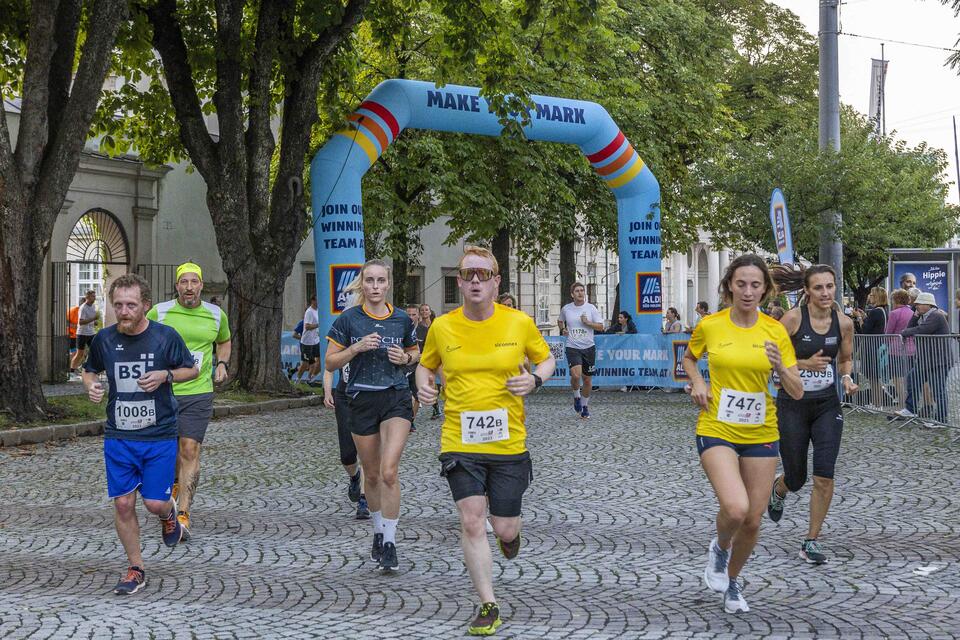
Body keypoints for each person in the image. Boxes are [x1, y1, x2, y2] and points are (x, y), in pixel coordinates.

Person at [417, 246, 556, 636]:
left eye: (483, 274)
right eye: (468, 274)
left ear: (496, 282)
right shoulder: (442, 327)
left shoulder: (519, 323)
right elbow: (426, 367)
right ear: (459, 282)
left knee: (505, 528)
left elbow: (547, 359)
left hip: (508, 442)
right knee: (472, 521)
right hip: (459, 439)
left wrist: (536, 379)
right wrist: (424, 387)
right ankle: (487, 604)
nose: (475, 280)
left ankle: (511, 538)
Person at [682, 254, 802, 614]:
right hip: (716, 425)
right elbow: (689, 358)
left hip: (761, 430)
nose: (748, 292)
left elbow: (796, 391)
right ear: (729, 286)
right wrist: (698, 381)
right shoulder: (711, 325)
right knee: (735, 508)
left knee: (753, 518)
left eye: (755, 285)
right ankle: (720, 549)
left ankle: (732, 581)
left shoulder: (775, 330)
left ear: (765, 290)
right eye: (741, 284)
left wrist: (780, 364)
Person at [82, 273, 198, 594]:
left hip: (159, 435)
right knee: (122, 504)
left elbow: (193, 369)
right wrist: (90, 385)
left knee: (153, 504)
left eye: (131, 305)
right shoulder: (104, 339)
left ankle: (168, 512)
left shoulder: (165, 337)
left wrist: (166, 375)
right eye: (118, 305)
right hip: (119, 436)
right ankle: (136, 568)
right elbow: (89, 370)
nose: (124, 311)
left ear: (145, 305)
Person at [324, 259, 419, 572]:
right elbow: (330, 363)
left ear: (388, 284)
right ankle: (378, 532)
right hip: (361, 399)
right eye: (370, 281)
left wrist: (405, 357)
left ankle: (391, 543)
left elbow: (415, 352)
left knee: (390, 471)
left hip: (396, 398)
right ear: (361, 285)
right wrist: (356, 348)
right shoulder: (349, 320)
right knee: (373, 474)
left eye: (381, 281)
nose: (375, 287)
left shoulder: (402, 319)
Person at [767, 265, 858, 565]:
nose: (825, 293)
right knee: (797, 477)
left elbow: (845, 359)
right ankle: (780, 487)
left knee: (824, 475)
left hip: (826, 405)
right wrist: (803, 365)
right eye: (818, 287)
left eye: (830, 286)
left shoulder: (843, 323)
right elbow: (774, 362)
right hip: (792, 404)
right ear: (806, 290)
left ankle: (811, 540)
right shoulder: (792, 320)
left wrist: (846, 377)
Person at [146, 262, 231, 541]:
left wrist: (221, 363)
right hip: (164, 392)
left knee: (190, 448)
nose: (189, 287)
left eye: (194, 281)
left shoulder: (216, 315)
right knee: (169, 450)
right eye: (184, 282)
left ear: (201, 286)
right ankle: (172, 483)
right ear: (177, 286)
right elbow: (142, 336)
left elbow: (224, 340)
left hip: (198, 392)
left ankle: (183, 513)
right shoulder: (160, 312)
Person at [322, 276, 369, 520]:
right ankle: (354, 476)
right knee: (347, 455)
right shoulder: (342, 328)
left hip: (369, 395)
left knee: (368, 451)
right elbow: (329, 366)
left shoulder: (375, 326)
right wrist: (327, 391)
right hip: (345, 394)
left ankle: (364, 499)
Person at [901, 292, 951, 423]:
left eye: (920, 303)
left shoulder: (936, 316)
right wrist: (914, 316)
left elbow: (921, 330)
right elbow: (910, 327)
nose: (917, 306)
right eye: (916, 304)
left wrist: (904, 333)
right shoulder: (923, 316)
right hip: (926, 360)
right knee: (912, 379)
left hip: (939, 361)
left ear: (929, 304)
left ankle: (941, 419)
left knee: (938, 389)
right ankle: (910, 410)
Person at [557, 282, 604, 419]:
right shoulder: (567, 309)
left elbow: (601, 326)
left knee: (587, 380)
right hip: (573, 346)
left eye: (582, 290)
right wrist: (563, 329)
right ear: (572, 294)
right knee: (576, 375)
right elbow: (560, 321)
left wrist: (588, 323)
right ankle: (576, 396)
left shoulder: (591, 308)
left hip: (589, 347)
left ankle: (585, 406)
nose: (580, 293)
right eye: (577, 291)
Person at [856, 287, 889, 409]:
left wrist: (859, 318)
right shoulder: (883, 310)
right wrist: (865, 316)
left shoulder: (876, 311)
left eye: (871, 295)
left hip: (872, 347)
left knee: (873, 377)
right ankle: (877, 402)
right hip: (878, 345)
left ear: (877, 297)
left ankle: (877, 403)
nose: (869, 297)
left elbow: (865, 330)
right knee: (873, 376)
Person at [885, 289, 916, 411]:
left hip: (896, 349)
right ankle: (910, 405)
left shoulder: (894, 313)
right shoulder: (913, 313)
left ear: (895, 299)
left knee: (897, 377)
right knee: (908, 378)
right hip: (912, 349)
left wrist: (885, 344)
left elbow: (888, 332)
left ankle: (902, 405)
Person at [419, 303, 443, 419]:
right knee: (431, 384)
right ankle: (436, 408)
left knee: (439, 385)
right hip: (425, 360)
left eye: (426, 310)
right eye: (422, 310)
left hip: (439, 359)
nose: (424, 312)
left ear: (430, 312)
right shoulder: (418, 328)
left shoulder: (435, 325)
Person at [405, 304, 423, 433]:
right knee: (406, 395)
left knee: (418, 396)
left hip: (420, 366)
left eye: (413, 314)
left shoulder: (423, 330)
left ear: (418, 315)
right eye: (408, 315)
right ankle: (407, 421)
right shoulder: (402, 328)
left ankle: (412, 419)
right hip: (405, 365)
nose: (411, 317)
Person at [71, 289, 100, 372]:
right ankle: (72, 370)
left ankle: (87, 367)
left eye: (95, 296)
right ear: (87, 297)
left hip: (91, 333)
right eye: (92, 296)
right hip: (82, 334)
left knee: (95, 351)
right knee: (80, 354)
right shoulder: (83, 308)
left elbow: (90, 319)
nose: (94, 298)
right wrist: (93, 319)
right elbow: (81, 322)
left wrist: (95, 322)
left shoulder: (94, 306)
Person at [296, 296, 321, 384]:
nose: (319, 301)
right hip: (307, 342)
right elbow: (307, 326)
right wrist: (318, 325)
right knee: (306, 363)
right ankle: (298, 379)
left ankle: (310, 379)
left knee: (319, 361)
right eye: (318, 300)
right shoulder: (309, 312)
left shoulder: (318, 310)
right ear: (313, 300)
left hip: (316, 340)